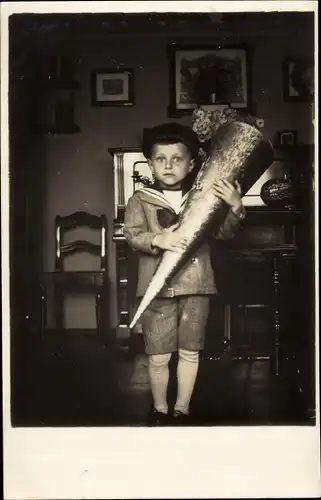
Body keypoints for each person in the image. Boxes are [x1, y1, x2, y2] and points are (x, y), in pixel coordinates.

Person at [123, 122, 246, 426]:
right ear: (150, 163)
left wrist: (234, 205)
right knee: (159, 354)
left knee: (191, 352)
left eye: (177, 159)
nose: (168, 165)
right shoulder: (140, 200)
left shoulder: (204, 196)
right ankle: (160, 408)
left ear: (191, 164)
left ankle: (182, 408)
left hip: (197, 285)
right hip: (157, 288)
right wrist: (157, 239)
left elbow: (225, 233)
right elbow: (132, 234)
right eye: (160, 159)